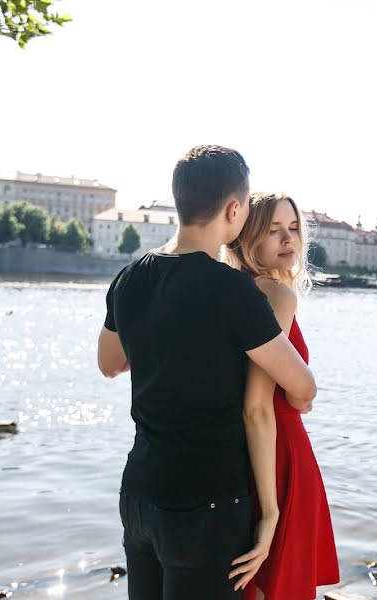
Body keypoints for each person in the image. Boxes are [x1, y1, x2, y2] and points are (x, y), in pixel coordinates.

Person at [96, 145, 318, 600]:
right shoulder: (234, 291)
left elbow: (110, 364)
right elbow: (302, 387)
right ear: (235, 210)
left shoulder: (129, 277)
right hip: (206, 504)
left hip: (139, 494)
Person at [225, 193, 339, 600]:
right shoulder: (277, 295)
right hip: (282, 457)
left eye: (293, 229)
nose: (287, 239)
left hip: (251, 456)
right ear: (247, 237)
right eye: (273, 230)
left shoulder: (232, 290)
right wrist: (302, 390)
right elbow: (261, 401)